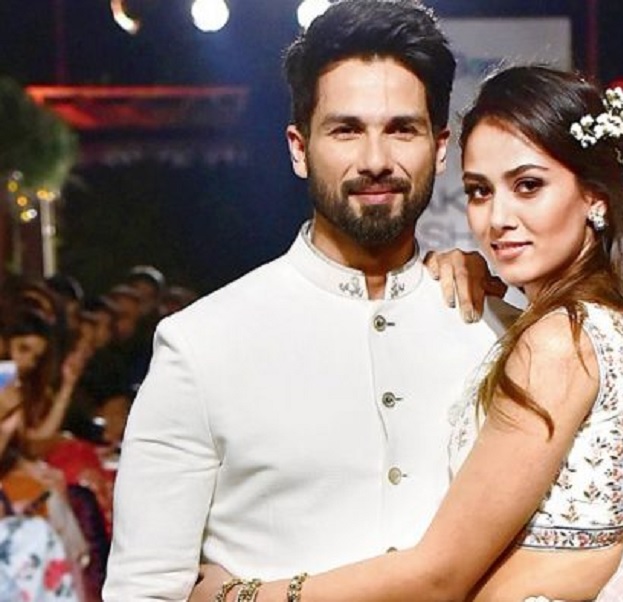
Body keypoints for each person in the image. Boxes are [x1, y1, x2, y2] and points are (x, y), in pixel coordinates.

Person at [191, 65, 623, 602]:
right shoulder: (618, 323)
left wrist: (241, 596)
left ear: (595, 195)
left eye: (528, 186)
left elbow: (438, 577)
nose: (498, 218)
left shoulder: (559, 342)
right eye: (478, 191)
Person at [103, 1, 513, 599]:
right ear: (299, 148)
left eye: (402, 129)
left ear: (441, 146)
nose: (376, 161)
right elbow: (144, 589)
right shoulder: (202, 344)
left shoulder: (501, 334)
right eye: (346, 130)